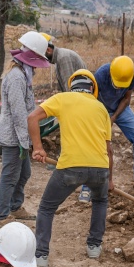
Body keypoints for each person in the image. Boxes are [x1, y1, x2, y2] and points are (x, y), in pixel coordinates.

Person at [29, 69, 114, 267]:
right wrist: (109, 179)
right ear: (92, 88)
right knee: (100, 200)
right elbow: (109, 149)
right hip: (100, 168)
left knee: (47, 207)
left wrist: (38, 148)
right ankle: (94, 247)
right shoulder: (101, 108)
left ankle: (41, 256)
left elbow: (32, 118)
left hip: (70, 167)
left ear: (72, 86)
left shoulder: (63, 99)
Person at [0, 31, 51, 228]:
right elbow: (19, 114)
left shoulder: (24, 75)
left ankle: (16, 206)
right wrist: (26, 141)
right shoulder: (17, 77)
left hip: (21, 136)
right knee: (10, 175)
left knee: (24, 173)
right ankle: (2, 215)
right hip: (13, 137)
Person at [40, 34, 93, 203]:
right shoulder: (61, 57)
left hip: (80, 107)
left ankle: (82, 180)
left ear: (48, 49)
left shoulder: (63, 59)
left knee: (81, 142)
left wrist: (66, 111)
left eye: (42, 56)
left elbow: (72, 90)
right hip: (79, 105)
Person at [94, 56, 134, 190]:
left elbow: (127, 98)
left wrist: (114, 117)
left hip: (120, 109)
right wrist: (104, 119)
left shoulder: (133, 73)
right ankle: (88, 185)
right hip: (100, 109)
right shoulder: (101, 75)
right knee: (96, 144)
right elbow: (92, 100)